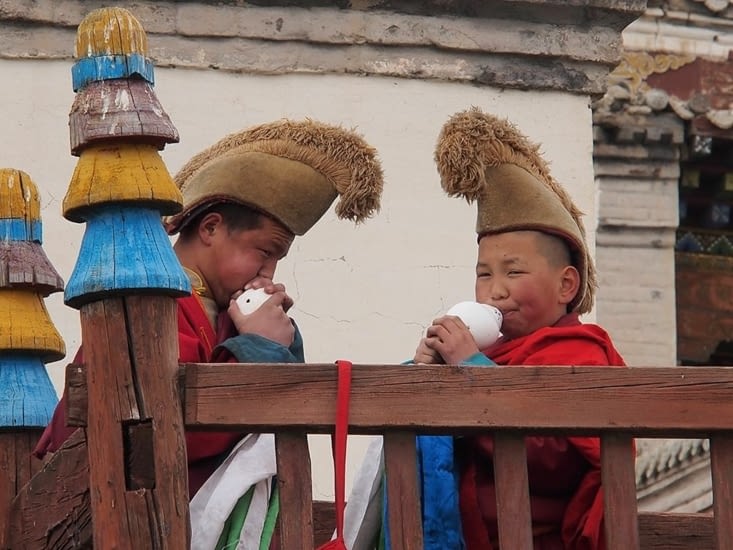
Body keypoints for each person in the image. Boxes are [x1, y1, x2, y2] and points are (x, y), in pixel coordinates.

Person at [33, 119, 384, 526]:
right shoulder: (153, 305)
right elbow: (170, 436)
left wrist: (276, 340)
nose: (269, 273)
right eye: (265, 252)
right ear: (211, 228)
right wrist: (260, 348)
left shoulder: (226, 314)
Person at [347, 108, 624, 550]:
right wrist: (428, 375)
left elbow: (554, 462)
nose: (495, 291)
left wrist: (471, 373)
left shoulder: (580, 352)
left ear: (566, 285)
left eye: (514, 272)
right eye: (483, 274)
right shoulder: (490, 355)